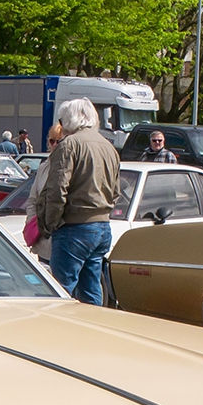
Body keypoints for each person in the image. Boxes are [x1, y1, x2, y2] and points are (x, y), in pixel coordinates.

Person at [36, 97, 119, 305]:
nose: (61, 127)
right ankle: (91, 332)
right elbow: (116, 191)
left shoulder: (69, 145)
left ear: (70, 121)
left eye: (62, 122)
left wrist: (50, 223)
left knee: (60, 291)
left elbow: (57, 190)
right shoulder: (108, 147)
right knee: (91, 289)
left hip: (74, 227)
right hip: (102, 226)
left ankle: (57, 334)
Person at [22, 123, 64, 260]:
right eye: (52, 141)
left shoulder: (72, 167)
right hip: (44, 244)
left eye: (60, 141)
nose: (55, 145)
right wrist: (32, 222)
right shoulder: (44, 167)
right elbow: (33, 200)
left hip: (64, 243)